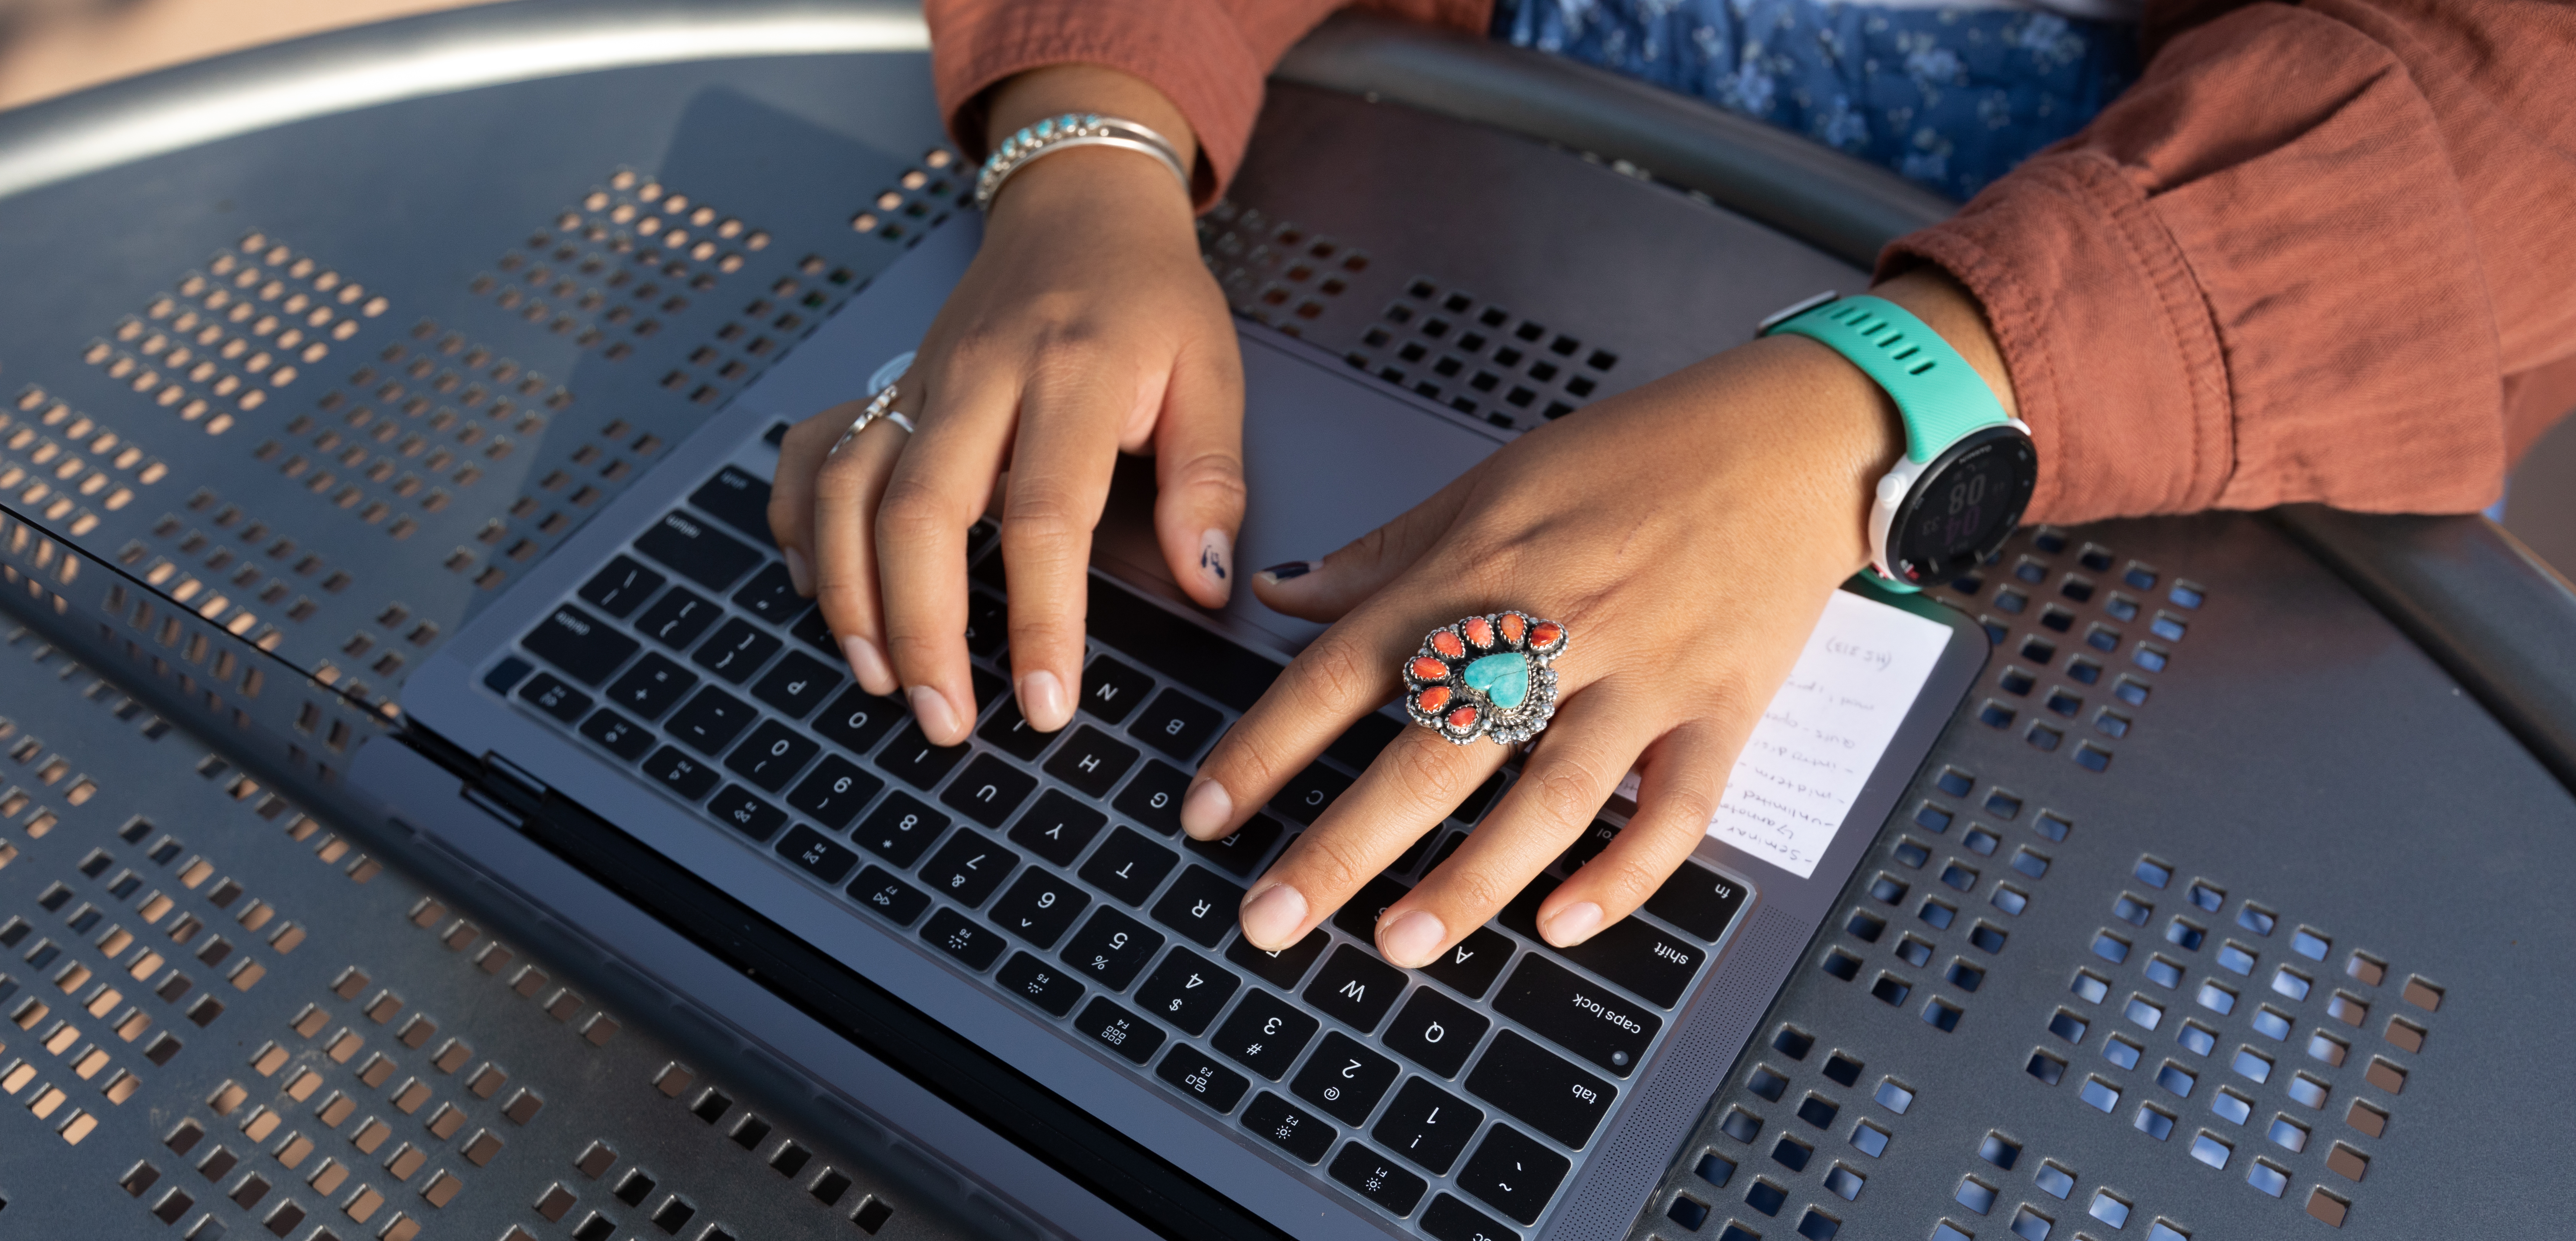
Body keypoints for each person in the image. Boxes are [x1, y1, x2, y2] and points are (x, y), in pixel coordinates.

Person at [767, 0, 2574, 976]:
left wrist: (1884, 403)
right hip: (1429, 257)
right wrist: (1093, 137)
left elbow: (2516, 95)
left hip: (2134, 473)